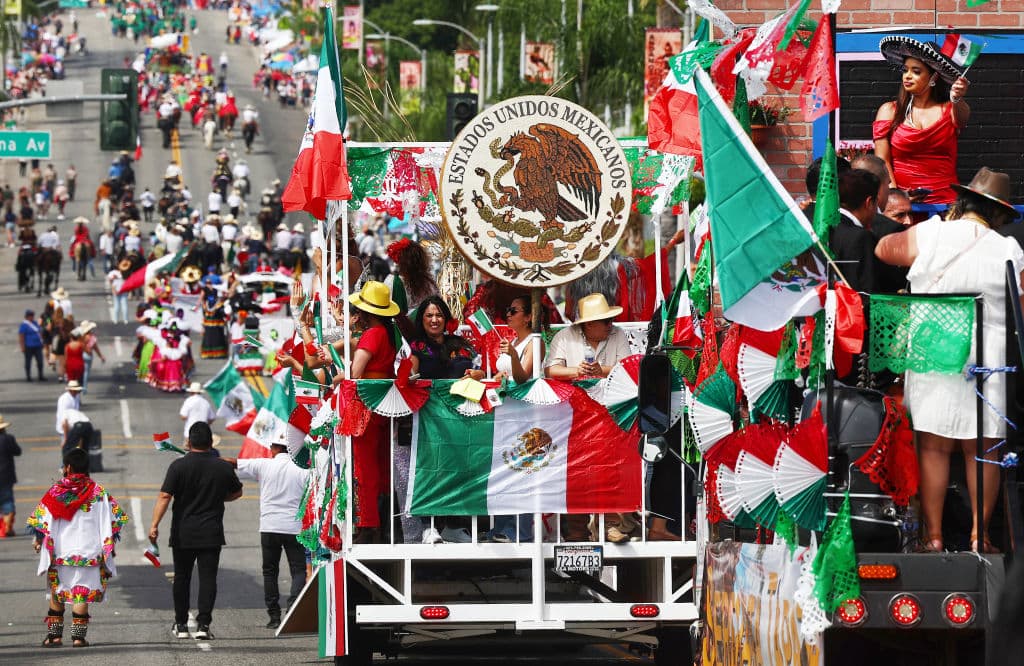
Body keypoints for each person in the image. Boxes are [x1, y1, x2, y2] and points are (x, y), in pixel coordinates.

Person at [876, 167, 1024, 553]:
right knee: (983, 450)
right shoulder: (1008, 248)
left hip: (934, 352)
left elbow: (884, 249)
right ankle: (980, 535)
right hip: (985, 361)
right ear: (997, 214)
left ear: (962, 202)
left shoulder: (932, 232)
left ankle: (934, 536)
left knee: (935, 447)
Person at [545, 293, 633, 542]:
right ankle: (577, 531)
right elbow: (551, 369)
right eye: (605, 321)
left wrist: (600, 370)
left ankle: (613, 525)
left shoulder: (617, 335)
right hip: (575, 415)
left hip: (609, 414)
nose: (610, 325)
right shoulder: (565, 336)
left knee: (610, 468)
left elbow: (628, 367)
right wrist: (577, 371)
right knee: (576, 470)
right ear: (589, 324)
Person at [149, 422, 243, 640]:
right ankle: (203, 625)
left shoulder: (178, 467)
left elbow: (165, 496)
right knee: (208, 578)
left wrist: (154, 525)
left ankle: (181, 624)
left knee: (182, 578)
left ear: (189, 443)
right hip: (211, 532)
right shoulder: (222, 467)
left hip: (183, 532)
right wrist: (219, 497)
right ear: (211, 443)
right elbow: (237, 492)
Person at [28, 448, 128, 647]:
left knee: (58, 592)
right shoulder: (99, 492)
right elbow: (115, 520)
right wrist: (108, 546)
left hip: (60, 553)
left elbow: (41, 521)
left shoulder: (55, 492)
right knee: (81, 593)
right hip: (89, 553)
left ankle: (54, 637)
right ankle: (78, 638)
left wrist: (39, 540)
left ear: (67, 468)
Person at [874, 36, 971, 204]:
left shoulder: (950, 109)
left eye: (916, 71)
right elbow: (882, 161)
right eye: (905, 70)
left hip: (945, 205)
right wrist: (897, 196)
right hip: (904, 205)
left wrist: (956, 98)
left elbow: (962, 119)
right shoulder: (889, 111)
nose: (908, 76)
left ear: (933, 78)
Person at [224, 437, 307, 629]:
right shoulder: (303, 469)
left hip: (269, 526)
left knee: (270, 571)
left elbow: (231, 462)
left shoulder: (263, 465)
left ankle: (274, 616)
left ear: (275, 448)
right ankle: (292, 607)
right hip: (294, 527)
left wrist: (207, 458)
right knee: (298, 570)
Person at [483, 295, 547, 543]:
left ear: (529, 316)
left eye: (513, 310)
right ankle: (503, 527)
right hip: (506, 413)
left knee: (522, 470)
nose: (508, 314)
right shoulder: (514, 341)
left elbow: (522, 378)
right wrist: (482, 374)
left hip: (524, 414)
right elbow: (504, 375)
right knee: (504, 470)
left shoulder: (535, 342)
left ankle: (520, 531)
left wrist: (512, 356)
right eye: (506, 310)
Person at [345, 282, 400, 543]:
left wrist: (338, 375)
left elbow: (355, 373)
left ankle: (368, 523)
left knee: (364, 466)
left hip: (366, 403)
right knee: (378, 464)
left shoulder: (372, 334)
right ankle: (381, 521)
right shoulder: (385, 333)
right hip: (381, 403)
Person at [831, 169, 881, 294]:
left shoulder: (819, 226)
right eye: (877, 204)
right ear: (869, 203)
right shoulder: (860, 237)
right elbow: (864, 290)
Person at [0, 414, 21, 537]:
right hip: (6, 476)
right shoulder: (8, 439)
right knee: (8, 501)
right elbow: (18, 451)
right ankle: (8, 526)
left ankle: (3, 528)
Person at [19, 309, 46, 381]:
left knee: (40, 361)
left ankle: (40, 375)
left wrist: (42, 342)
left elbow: (39, 332)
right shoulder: (24, 325)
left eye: (32, 315)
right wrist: (22, 347)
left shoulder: (35, 323)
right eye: (30, 315)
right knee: (28, 362)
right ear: (27, 316)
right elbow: (21, 336)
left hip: (37, 345)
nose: (32, 317)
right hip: (28, 346)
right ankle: (28, 376)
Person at [79, 321, 105, 393]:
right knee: (86, 372)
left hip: (81, 355)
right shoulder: (91, 337)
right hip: (88, 355)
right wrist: (101, 356)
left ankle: (80, 384)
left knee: (81, 371)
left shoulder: (81, 337)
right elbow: (95, 348)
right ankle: (84, 387)